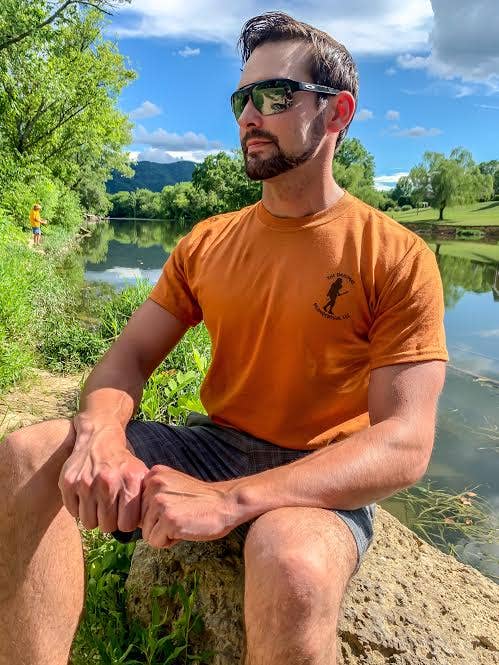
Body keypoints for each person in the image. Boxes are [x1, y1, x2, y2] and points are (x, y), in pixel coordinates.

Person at [0, 12, 448, 665]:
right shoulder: (207, 242)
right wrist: (102, 435)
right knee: (25, 455)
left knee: (291, 562)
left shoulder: (396, 256)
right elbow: (128, 358)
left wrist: (231, 501)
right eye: (242, 99)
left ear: (337, 112)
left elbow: (405, 441)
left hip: (321, 470)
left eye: (275, 95)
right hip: (213, 445)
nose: (249, 116)